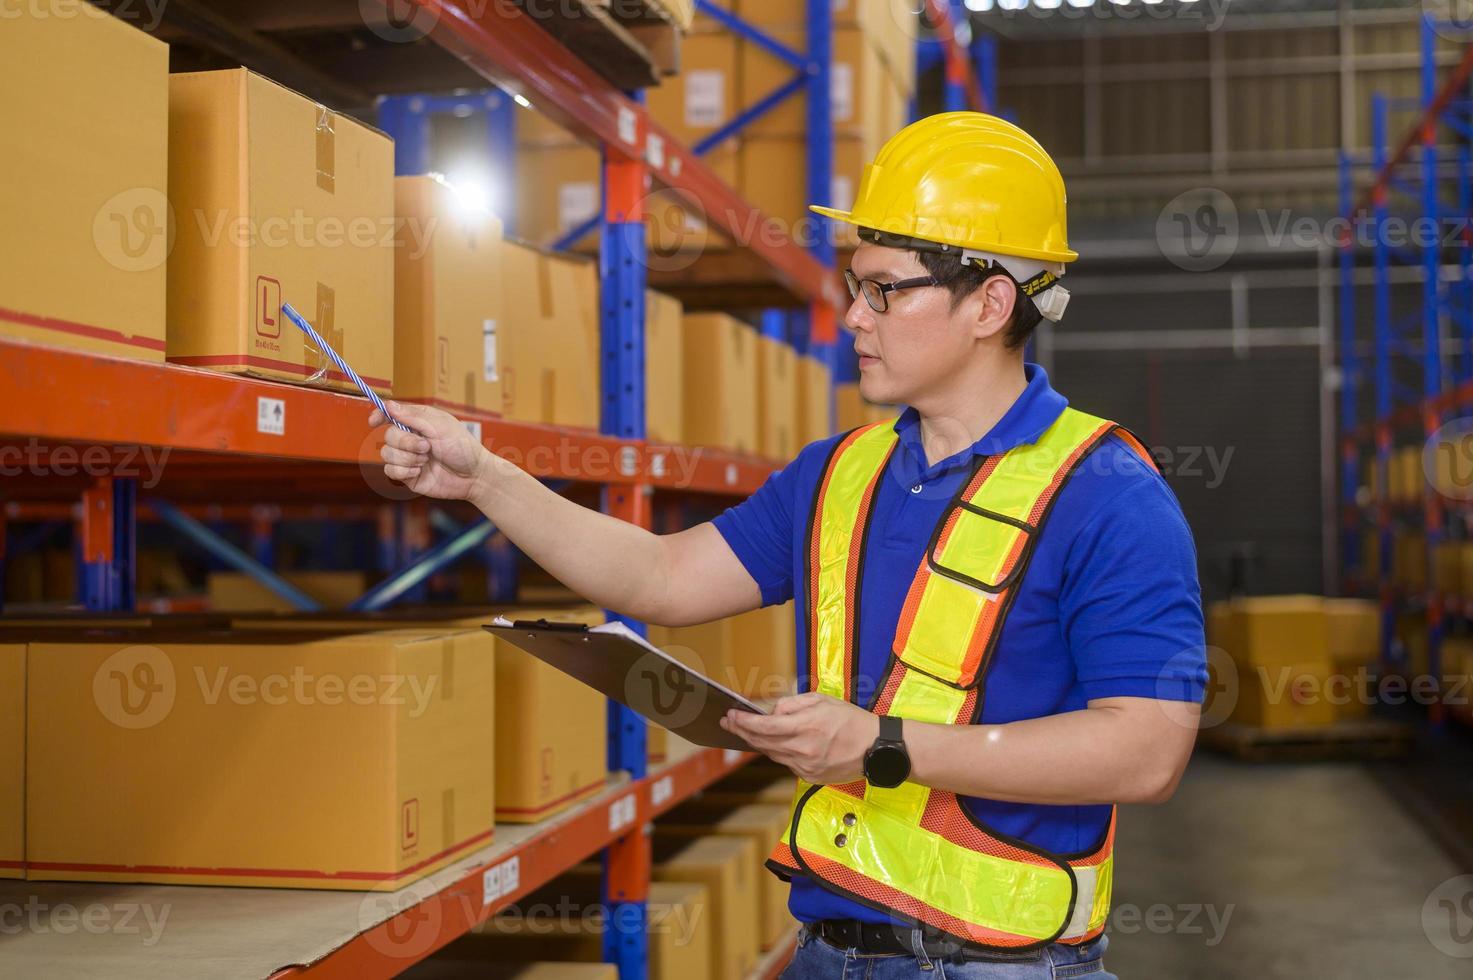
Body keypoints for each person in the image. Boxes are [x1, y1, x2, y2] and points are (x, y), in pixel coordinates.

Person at [371, 112, 1206, 979]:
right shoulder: (837, 473)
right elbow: (660, 577)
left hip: (1003, 966)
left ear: (989, 304)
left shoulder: (1109, 496)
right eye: (855, 285)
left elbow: (1145, 751)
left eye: (884, 289)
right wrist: (481, 478)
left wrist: (886, 746)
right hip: (825, 952)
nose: (852, 316)